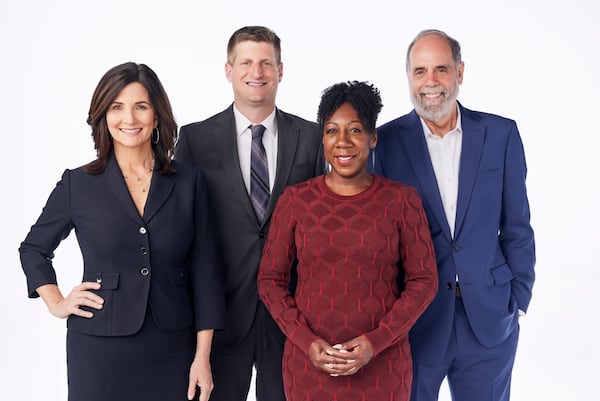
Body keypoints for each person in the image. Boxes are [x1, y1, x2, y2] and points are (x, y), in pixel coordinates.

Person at [18, 62, 225, 401]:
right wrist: (56, 301)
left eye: (140, 106)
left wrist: (202, 356)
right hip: (99, 347)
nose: (129, 119)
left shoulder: (189, 183)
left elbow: (206, 271)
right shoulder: (79, 184)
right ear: (103, 116)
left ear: (156, 116)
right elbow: (33, 249)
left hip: (173, 346)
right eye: (117, 107)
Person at [373, 29, 536, 401]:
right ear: (408, 76)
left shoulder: (500, 134)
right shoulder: (385, 143)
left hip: (490, 319)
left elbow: (518, 227)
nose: (430, 82)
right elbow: (380, 238)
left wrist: (518, 298)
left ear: (460, 73)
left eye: (441, 70)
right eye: (420, 71)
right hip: (417, 321)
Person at [257, 80, 438, 401]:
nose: (342, 142)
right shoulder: (296, 200)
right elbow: (271, 280)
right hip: (309, 367)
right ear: (322, 138)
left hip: (383, 367)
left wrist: (377, 341)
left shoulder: (401, 201)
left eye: (354, 130)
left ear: (373, 138)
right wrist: (305, 341)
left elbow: (423, 280)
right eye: (331, 131)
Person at [175, 26, 325, 401]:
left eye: (265, 63)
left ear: (280, 70)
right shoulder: (194, 139)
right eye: (246, 62)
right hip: (220, 316)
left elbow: (323, 223)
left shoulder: (312, 137)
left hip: (291, 318)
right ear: (229, 70)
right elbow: (182, 231)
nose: (256, 72)